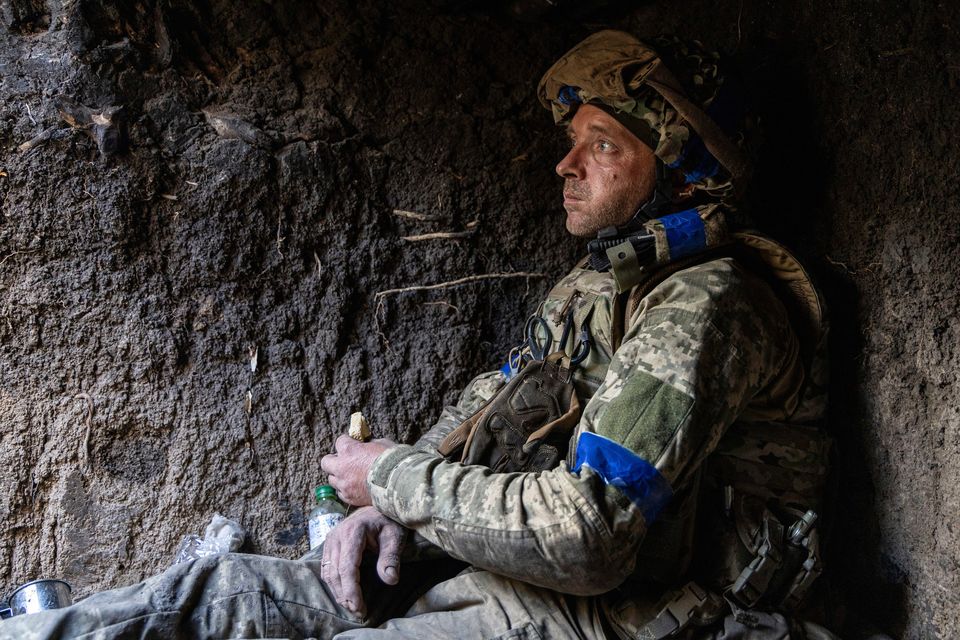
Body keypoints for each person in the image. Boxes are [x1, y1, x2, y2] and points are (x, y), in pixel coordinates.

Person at [0, 30, 837, 640]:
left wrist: (394, 483)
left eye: (604, 144)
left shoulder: (709, 305)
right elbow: (501, 401)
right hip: (541, 578)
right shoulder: (601, 283)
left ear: (684, 169)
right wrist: (392, 516)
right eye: (572, 142)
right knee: (225, 593)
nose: (566, 165)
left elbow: (587, 536)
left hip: (648, 612)